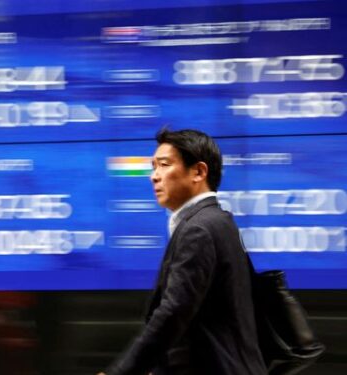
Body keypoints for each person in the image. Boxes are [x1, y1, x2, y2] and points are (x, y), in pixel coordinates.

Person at [98, 128, 266, 375]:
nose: (154, 176)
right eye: (153, 166)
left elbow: (173, 313)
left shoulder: (199, 229)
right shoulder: (219, 221)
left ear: (198, 172)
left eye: (164, 165)